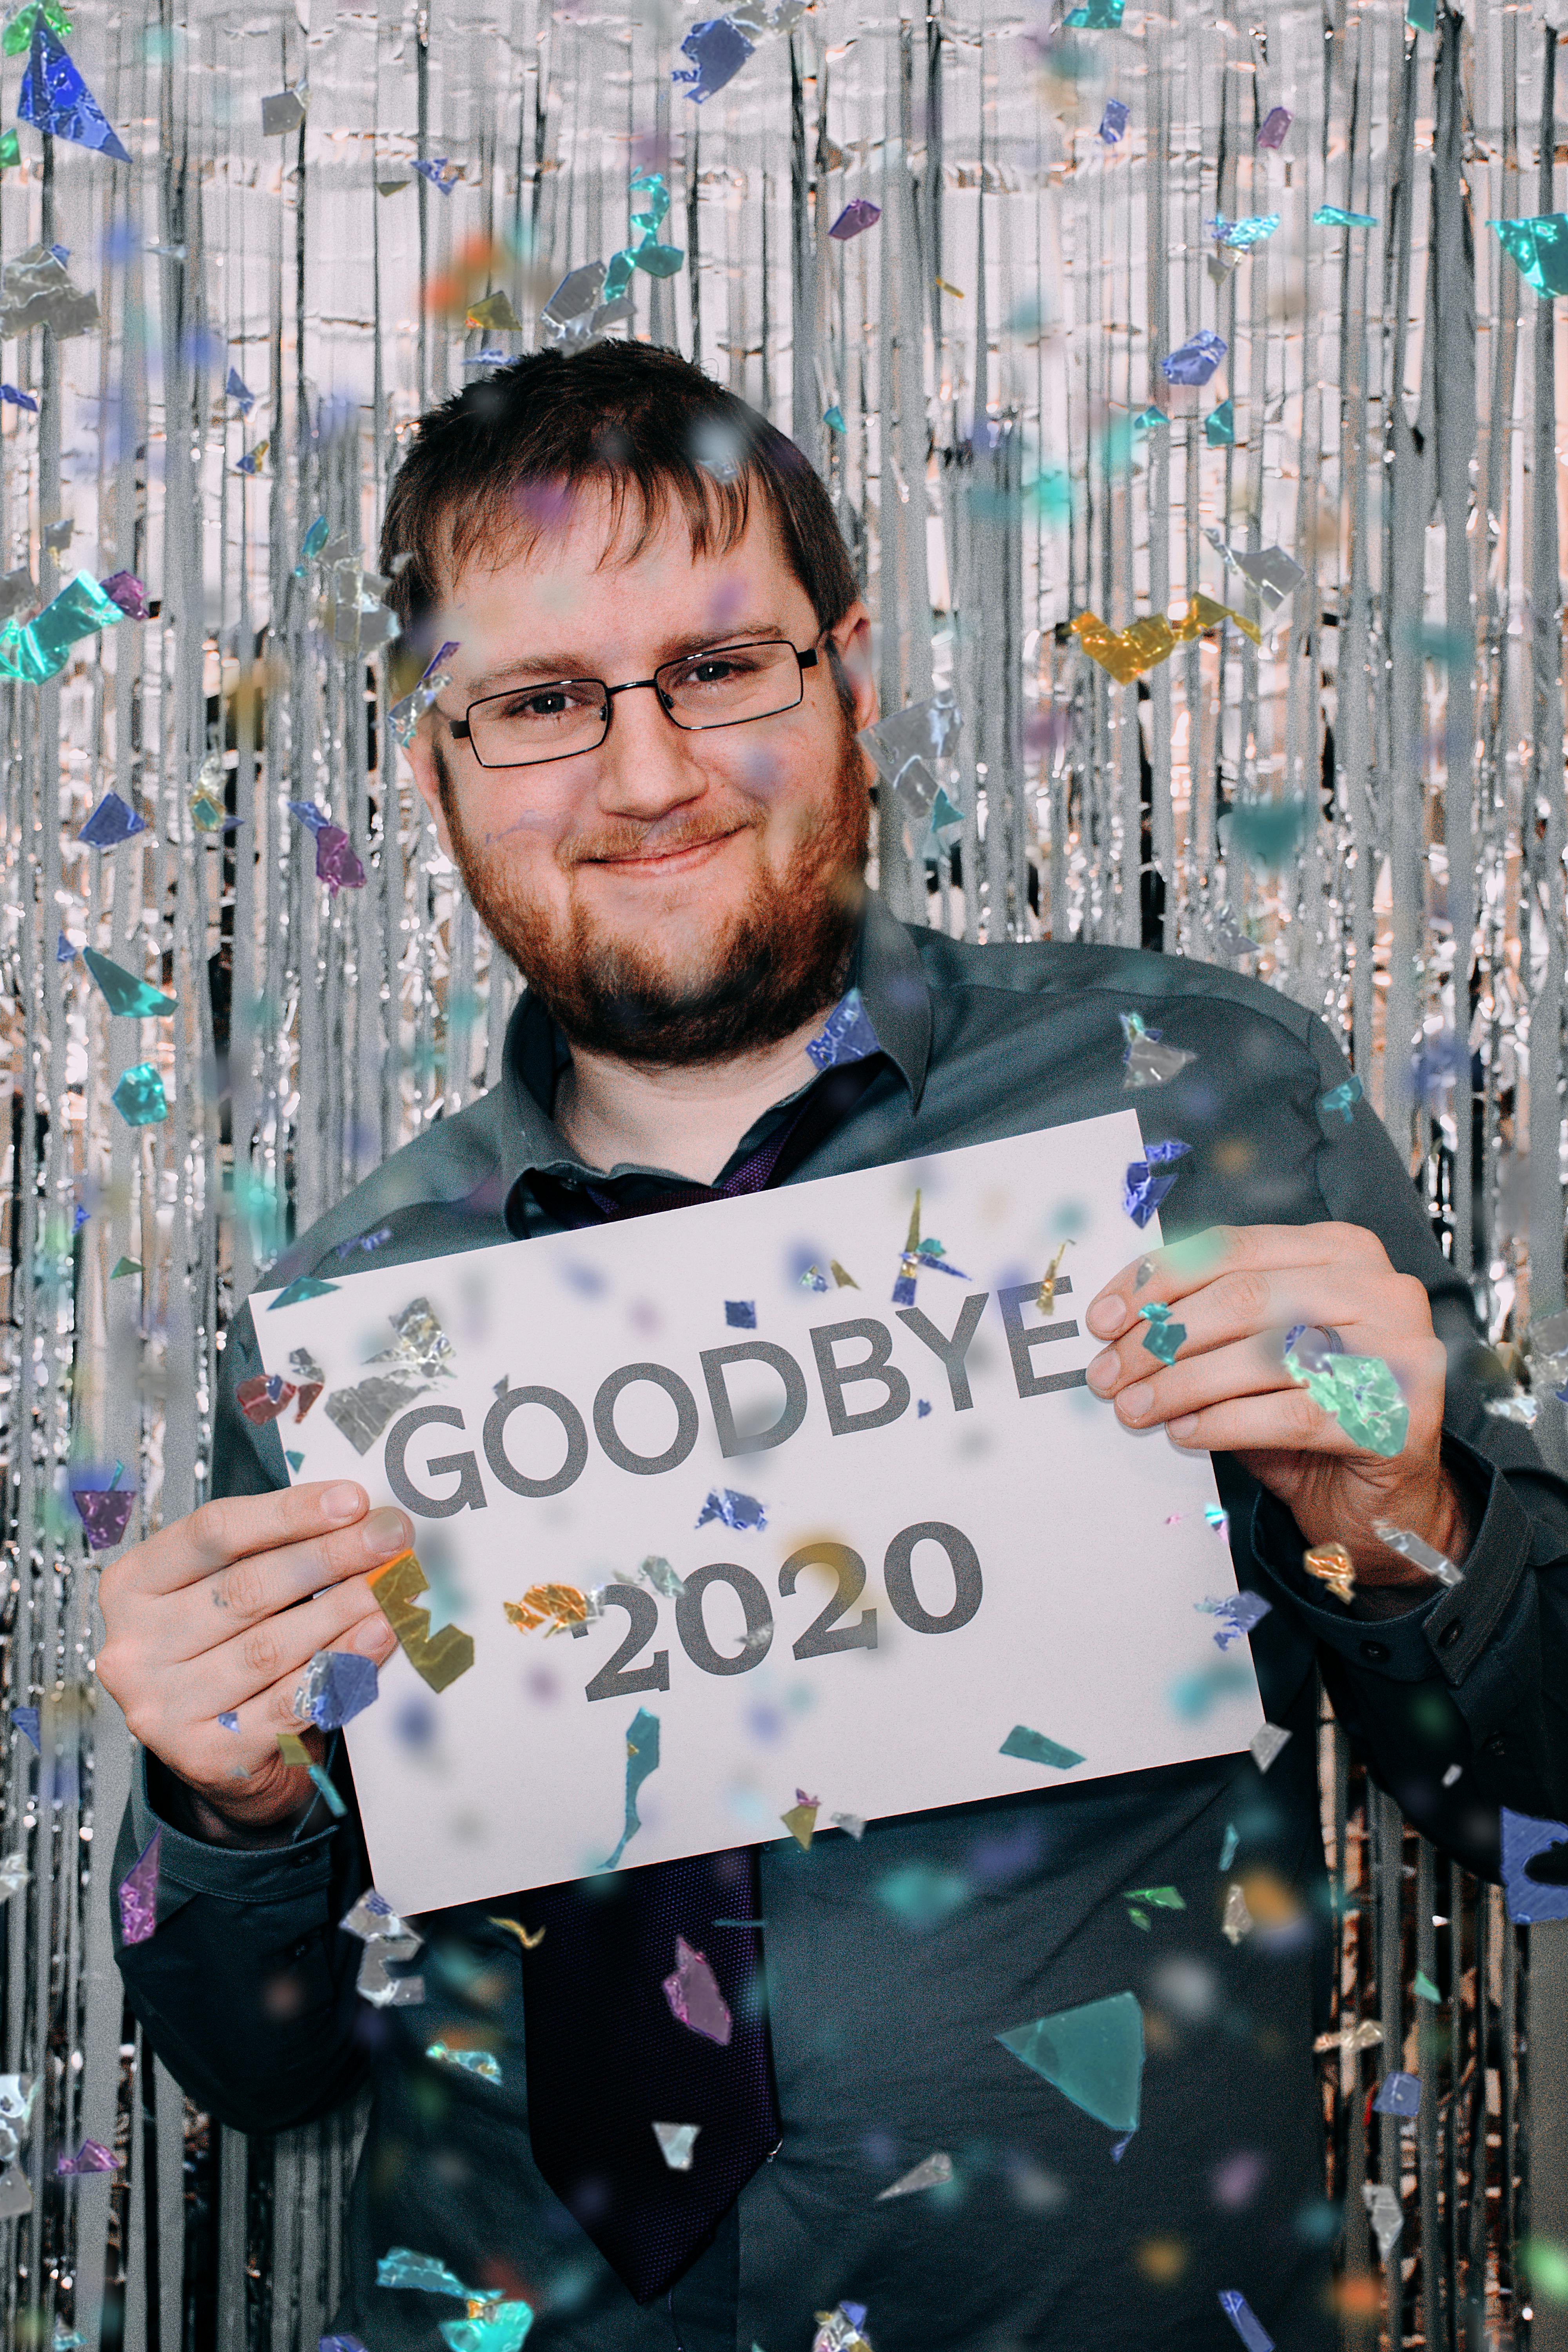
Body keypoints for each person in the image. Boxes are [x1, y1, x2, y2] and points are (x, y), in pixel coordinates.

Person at [100, 341, 1568, 2352]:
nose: (643, 773)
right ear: (433, 761)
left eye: (718, 669)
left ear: (847, 681)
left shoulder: (1205, 1107)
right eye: (539, 703)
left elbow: (1541, 1827)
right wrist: (226, 1813)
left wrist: (1402, 1516)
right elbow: (262, 2069)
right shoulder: (353, 1311)